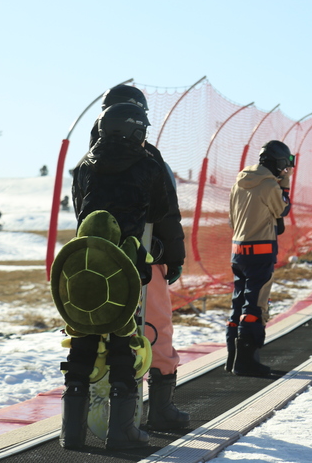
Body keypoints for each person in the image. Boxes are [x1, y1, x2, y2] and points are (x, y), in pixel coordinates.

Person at [60, 102, 177, 451]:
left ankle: (73, 432)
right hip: (127, 265)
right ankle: (122, 432)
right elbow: (162, 212)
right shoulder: (148, 165)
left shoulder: (84, 166)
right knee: (123, 344)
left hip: (84, 268)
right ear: (137, 131)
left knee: (82, 341)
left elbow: (80, 207)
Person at [88, 84, 189, 432]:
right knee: (154, 327)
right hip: (146, 258)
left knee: (100, 327)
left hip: (95, 260)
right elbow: (167, 214)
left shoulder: (89, 159)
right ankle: (160, 407)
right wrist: (173, 258)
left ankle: (97, 407)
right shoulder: (149, 159)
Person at [226, 140, 293, 377]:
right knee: (255, 304)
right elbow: (283, 209)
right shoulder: (268, 186)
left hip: (238, 251)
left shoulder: (239, 183)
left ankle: (232, 357)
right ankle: (246, 361)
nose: (287, 169)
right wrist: (285, 184)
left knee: (238, 303)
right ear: (279, 162)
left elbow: (232, 219)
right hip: (261, 251)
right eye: (286, 164)